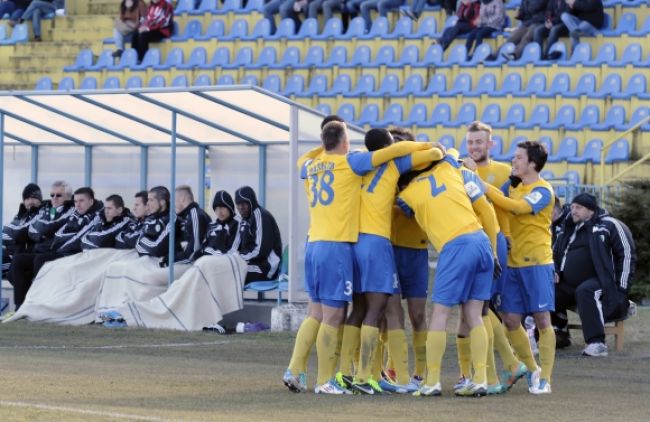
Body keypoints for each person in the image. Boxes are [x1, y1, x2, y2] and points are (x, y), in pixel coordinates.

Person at [284, 120, 430, 395]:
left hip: (315, 242)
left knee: (321, 311)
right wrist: (436, 148)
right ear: (345, 142)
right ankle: (344, 378)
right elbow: (406, 153)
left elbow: (303, 159)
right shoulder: (355, 163)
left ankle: (298, 369)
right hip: (343, 245)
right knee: (348, 312)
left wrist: (325, 146)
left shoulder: (314, 165)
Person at [335, 128, 443, 395]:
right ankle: (374, 376)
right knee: (380, 308)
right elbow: (434, 153)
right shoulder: (394, 165)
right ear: (388, 146)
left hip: (354, 241)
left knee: (360, 307)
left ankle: (345, 372)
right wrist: (435, 146)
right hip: (378, 243)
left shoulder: (358, 164)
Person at [397, 149, 498, 397]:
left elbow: (398, 207)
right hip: (482, 240)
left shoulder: (407, 194)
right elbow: (451, 152)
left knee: (440, 313)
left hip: (455, 245)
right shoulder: (449, 167)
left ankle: (431, 381)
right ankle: (480, 379)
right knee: (474, 314)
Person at [481, 140, 556, 394]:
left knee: (542, 319)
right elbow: (497, 201)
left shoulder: (543, 190)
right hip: (513, 263)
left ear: (532, 163)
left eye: (519, 158)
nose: (514, 161)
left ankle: (545, 378)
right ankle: (532, 368)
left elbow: (518, 208)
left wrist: (485, 188)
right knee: (511, 319)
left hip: (537, 263)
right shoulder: (512, 186)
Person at [459, 121, 527, 394]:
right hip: (472, 243)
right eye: (471, 142)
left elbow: (507, 204)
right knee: (480, 308)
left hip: (494, 241)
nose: (474, 147)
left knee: (480, 308)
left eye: (479, 142)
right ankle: (503, 367)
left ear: (491, 144)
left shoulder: (503, 172)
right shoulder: (460, 171)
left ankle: (496, 371)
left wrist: (509, 239)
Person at [552, 193, 636, 357]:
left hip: (602, 282)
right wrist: (555, 270)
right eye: (573, 206)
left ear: (591, 210)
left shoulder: (610, 225)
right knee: (547, 290)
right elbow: (555, 253)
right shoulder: (570, 227)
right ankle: (557, 333)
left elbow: (626, 255)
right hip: (570, 284)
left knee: (586, 291)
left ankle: (597, 343)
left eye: (578, 208)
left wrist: (622, 290)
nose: (573, 211)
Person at [9, 186, 101, 311]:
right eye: (76, 201)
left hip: (73, 255)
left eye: (81, 201)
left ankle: (39, 303)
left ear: (91, 201)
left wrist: (52, 240)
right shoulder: (54, 210)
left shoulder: (95, 215)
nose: (78, 204)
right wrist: (46, 236)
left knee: (40, 260)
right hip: (56, 250)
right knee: (18, 261)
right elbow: (55, 234)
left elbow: (78, 238)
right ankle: (19, 307)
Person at [231, 186, 282, 283]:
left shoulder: (261, 216)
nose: (241, 207)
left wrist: (238, 257)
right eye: (238, 204)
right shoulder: (244, 219)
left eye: (244, 203)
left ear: (251, 202)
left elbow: (260, 251)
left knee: (231, 273)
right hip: (252, 263)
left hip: (266, 267)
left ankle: (231, 299)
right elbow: (241, 247)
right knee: (222, 271)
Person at [2, 183, 45, 275]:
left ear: (40, 199)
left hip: (33, 257)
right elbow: (9, 233)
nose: (30, 201)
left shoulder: (45, 214)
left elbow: (19, 233)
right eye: (27, 199)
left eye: (33, 198)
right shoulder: (21, 216)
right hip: (16, 255)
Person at [193, 190, 239, 259]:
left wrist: (206, 254)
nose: (219, 212)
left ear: (229, 207)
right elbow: (203, 245)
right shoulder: (212, 225)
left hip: (225, 263)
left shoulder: (237, 224)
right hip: (207, 262)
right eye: (216, 209)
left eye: (222, 208)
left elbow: (232, 251)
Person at [172, 186, 210, 265]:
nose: (173, 204)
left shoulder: (195, 215)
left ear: (182, 198)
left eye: (174, 200)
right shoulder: (183, 216)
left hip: (192, 264)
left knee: (148, 275)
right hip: (182, 261)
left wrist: (169, 261)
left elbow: (194, 251)